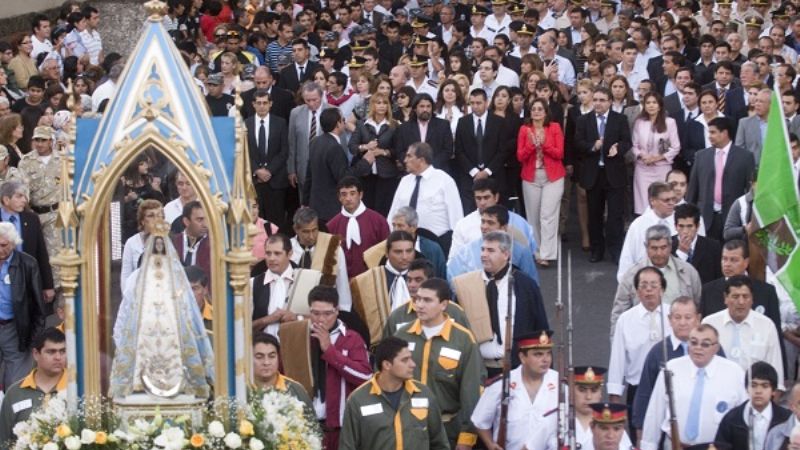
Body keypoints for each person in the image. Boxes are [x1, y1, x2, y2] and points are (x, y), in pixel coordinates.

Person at [110, 223, 214, 399]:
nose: (158, 257)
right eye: (155, 251)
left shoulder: (179, 281)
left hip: (174, 351)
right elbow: (124, 321)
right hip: (143, 353)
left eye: (162, 251)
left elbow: (191, 318)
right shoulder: (137, 283)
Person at [395, 278, 484, 449]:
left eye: (427, 300)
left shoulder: (463, 339)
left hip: (446, 431)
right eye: (417, 299)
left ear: (444, 305)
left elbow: (471, 391)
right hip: (405, 429)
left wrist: (466, 438)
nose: (419, 305)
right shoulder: (402, 335)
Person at [453, 231, 548, 374]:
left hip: (516, 367)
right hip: (477, 368)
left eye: (491, 250)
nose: (484, 255)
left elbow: (540, 326)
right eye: (483, 249)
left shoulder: (525, 285)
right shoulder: (466, 285)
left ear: (506, 254)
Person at [641, 324, 748, 449]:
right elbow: (655, 413)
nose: (698, 348)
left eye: (705, 344)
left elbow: (744, 416)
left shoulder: (734, 372)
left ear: (716, 347)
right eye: (694, 343)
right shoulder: (671, 369)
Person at [339, 336, 450, 450]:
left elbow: (440, 443)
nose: (412, 364)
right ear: (387, 365)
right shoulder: (358, 400)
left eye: (410, 358)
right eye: (405, 360)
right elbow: (347, 446)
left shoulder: (424, 394)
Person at [304, 285, 372, 450]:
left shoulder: (351, 338)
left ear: (337, 311)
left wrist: (330, 351)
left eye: (327, 313)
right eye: (315, 313)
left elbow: (366, 377)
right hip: (305, 426)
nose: (320, 319)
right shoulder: (299, 335)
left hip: (341, 428)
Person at [608, 267, 671, 433]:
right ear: (637, 291)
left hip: (668, 386)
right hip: (637, 389)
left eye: (653, 285)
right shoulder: (626, 319)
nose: (649, 290)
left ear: (662, 289)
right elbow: (618, 358)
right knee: (639, 435)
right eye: (643, 286)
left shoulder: (673, 315)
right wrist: (615, 393)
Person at [471, 330, 559, 450]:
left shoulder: (560, 384)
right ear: (522, 357)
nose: (546, 359)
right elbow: (479, 420)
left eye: (548, 353)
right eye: (538, 354)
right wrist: (491, 445)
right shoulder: (500, 385)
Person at [631, 296, 706, 436]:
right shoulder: (658, 352)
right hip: (669, 434)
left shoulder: (711, 349)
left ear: (698, 318)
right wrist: (640, 431)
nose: (682, 322)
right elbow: (645, 394)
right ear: (670, 319)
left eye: (688, 317)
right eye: (677, 317)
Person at [575, 86, 632, 263]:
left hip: (614, 173)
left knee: (615, 215)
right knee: (594, 214)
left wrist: (618, 148)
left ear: (609, 102)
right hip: (594, 174)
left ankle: (615, 250)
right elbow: (578, 143)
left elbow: (627, 142)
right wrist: (593, 146)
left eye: (602, 100)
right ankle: (596, 249)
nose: (598, 103)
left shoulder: (620, 119)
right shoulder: (584, 120)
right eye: (596, 100)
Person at [610, 225, 702, 333]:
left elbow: (697, 307)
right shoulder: (631, 276)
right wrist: (617, 343)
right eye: (654, 248)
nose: (659, 253)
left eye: (663, 248)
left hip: (679, 336)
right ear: (646, 247)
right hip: (642, 336)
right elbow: (619, 313)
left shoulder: (688, 272)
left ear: (670, 246)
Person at [702, 276, 785, 390]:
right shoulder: (710, 323)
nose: (741, 302)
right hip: (716, 391)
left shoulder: (766, 325)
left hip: (753, 395)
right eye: (735, 297)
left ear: (752, 299)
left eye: (745, 297)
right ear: (725, 298)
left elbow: (776, 373)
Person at [699, 240, 783, 342]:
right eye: (724, 259)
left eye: (734, 260)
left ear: (746, 262)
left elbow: (776, 335)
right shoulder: (708, 291)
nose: (727, 264)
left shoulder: (766, 292)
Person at [686, 117, 755, 241]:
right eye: (709, 133)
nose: (709, 136)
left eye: (713, 132)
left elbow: (751, 189)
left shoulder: (745, 157)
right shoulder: (701, 156)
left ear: (724, 133)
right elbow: (693, 189)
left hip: (733, 220)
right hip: (706, 218)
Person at [388, 142, 463, 255]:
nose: (404, 160)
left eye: (409, 156)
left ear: (421, 160)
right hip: (406, 244)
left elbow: (456, 217)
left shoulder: (444, 180)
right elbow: (393, 213)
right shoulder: (404, 181)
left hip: (437, 244)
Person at [517, 97, 565, 267]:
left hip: (553, 177)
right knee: (533, 216)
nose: (536, 111)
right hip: (531, 177)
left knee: (548, 215)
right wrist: (531, 146)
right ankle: (537, 252)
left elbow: (559, 154)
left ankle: (547, 253)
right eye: (533, 109)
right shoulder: (524, 130)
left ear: (546, 112)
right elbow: (520, 156)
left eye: (540, 109)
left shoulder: (555, 128)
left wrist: (544, 145)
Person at [0, 328, 65, 446]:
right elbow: (3, 442)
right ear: (36, 354)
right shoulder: (15, 393)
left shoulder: (76, 389)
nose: (58, 357)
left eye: (62, 351)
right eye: (51, 352)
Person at [449, 178, 537, 261]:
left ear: (496, 197)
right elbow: (454, 259)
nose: (482, 202)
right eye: (478, 198)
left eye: (486, 197)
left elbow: (528, 256)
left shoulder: (518, 222)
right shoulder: (463, 225)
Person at [448, 205, 539, 284]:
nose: (484, 227)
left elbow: (532, 284)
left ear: (503, 227)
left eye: (490, 223)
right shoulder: (466, 252)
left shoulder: (521, 251)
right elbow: (452, 279)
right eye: (483, 222)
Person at [18, 126, 62, 285]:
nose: (39, 143)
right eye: (36, 140)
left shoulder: (62, 159)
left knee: (55, 255)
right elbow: (23, 190)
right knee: (33, 253)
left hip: (55, 213)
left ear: (51, 141)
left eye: (43, 140)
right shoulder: (26, 161)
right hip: (33, 213)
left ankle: (56, 292)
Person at [383, 258, 470, 337]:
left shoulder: (455, 312)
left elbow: (467, 345)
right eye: (409, 280)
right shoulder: (397, 316)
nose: (411, 285)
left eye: (418, 280)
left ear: (430, 281)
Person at [715, 361, 791, 450]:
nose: (758, 391)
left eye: (764, 386)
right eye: (753, 385)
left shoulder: (787, 420)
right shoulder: (732, 419)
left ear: (773, 391)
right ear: (746, 388)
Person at [0, 180, 54, 305]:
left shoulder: (32, 219)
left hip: (27, 280)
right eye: (19, 196)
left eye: (25, 196)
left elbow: (41, 252)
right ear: (6, 200)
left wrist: (48, 285)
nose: (25, 200)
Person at [454, 88, 507, 211]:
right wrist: (474, 172)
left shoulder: (499, 122)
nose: (475, 106)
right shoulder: (463, 122)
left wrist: (486, 171)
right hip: (469, 178)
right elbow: (459, 150)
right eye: (472, 103)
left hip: (494, 177)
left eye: (478, 103)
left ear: (486, 103)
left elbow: (502, 151)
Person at [289, 207, 352, 311]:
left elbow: (342, 282)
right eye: (306, 232)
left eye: (314, 230)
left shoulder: (332, 245)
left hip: (324, 309)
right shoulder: (288, 248)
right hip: (293, 310)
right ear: (296, 229)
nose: (311, 236)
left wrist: (344, 310)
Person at [347, 93, 400, 216]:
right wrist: (365, 147)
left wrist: (383, 152)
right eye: (378, 103)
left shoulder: (394, 125)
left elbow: (398, 149)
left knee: (384, 210)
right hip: (366, 174)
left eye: (385, 103)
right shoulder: (361, 124)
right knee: (366, 210)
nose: (382, 106)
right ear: (372, 105)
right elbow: (352, 147)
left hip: (386, 175)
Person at [327, 176, 390, 278]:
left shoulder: (378, 221)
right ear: (339, 197)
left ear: (360, 194)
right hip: (342, 281)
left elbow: (386, 252)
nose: (348, 198)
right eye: (344, 194)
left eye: (352, 193)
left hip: (372, 278)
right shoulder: (332, 226)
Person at [617, 182, 682, 281]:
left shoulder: (681, 222)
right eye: (666, 200)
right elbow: (627, 258)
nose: (671, 203)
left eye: (674, 199)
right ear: (652, 201)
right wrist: (625, 284)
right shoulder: (638, 225)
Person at [247, 89, 290, 233]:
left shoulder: (280, 123)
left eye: (265, 103)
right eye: (258, 103)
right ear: (253, 104)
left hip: (275, 181)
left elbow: (284, 151)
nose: (262, 106)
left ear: (270, 104)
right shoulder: (246, 124)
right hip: (255, 183)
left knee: (275, 223)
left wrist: (269, 170)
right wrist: (257, 170)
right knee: (256, 223)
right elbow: (244, 152)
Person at [631, 93, 680, 215]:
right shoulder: (639, 122)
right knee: (644, 205)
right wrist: (643, 156)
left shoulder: (670, 122)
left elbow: (676, 147)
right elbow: (634, 145)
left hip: (662, 168)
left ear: (659, 106)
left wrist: (657, 158)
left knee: (662, 202)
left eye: (654, 103)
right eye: (648, 103)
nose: (651, 106)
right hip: (643, 169)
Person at [303, 108, 352, 223]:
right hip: (331, 209)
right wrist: (364, 162)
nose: (344, 123)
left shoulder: (315, 142)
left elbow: (308, 176)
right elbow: (343, 178)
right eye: (343, 120)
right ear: (338, 124)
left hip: (316, 205)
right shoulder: (334, 147)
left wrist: (305, 203)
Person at [250, 234, 304, 337]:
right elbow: (242, 327)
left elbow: (319, 319)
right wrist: (267, 319)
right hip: (263, 349)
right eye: (268, 253)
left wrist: (296, 318)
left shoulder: (304, 279)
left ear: (289, 254)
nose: (271, 258)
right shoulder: (253, 284)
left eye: (277, 253)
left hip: (297, 347)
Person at [394, 93, 455, 173]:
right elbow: (400, 151)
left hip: (437, 171)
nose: (425, 109)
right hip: (412, 172)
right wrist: (414, 164)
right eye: (422, 106)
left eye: (428, 106)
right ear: (415, 108)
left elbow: (447, 150)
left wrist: (429, 166)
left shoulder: (443, 125)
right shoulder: (404, 128)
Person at [251, 332, 313, 410]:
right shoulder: (241, 390)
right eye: (259, 357)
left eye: (272, 356)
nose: (266, 362)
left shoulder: (296, 390)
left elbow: (310, 421)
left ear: (278, 358)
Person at [288, 82, 325, 199]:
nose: (311, 103)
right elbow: (292, 143)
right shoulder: (295, 113)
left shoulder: (333, 111)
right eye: (307, 100)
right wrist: (291, 170)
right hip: (303, 168)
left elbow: (341, 143)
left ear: (321, 96)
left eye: (315, 100)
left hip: (325, 166)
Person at [671, 203, 722, 284]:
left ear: (697, 226)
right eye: (681, 226)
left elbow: (718, 279)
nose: (685, 231)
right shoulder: (668, 246)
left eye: (689, 226)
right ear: (675, 226)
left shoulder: (713, 247)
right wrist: (681, 253)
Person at [120, 199, 164, 288]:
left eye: (159, 215)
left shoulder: (170, 241)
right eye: (151, 216)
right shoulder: (131, 243)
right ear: (142, 221)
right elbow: (125, 276)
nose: (156, 219)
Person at [171, 200, 210, 277]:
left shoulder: (213, 244)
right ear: (186, 221)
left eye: (207, 220)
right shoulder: (172, 243)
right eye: (200, 220)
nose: (205, 225)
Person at [186, 265, 213, 334]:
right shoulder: (174, 317)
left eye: (194, 288)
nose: (190, 294)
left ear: (205, 290)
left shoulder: (216, 317)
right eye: (185, 289)